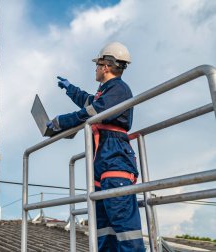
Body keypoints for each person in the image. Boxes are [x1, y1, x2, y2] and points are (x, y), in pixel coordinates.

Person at [47, 42, 145, 251]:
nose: (95, 68)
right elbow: (89, 102)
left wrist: (60, 122)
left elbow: (93, 111)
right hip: (102, 160)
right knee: (104, 227)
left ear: (106, 66)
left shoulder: (119, 89)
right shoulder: (107, 91)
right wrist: (70, 89)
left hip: (115, 157)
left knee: (124, 225)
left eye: (97, 64)